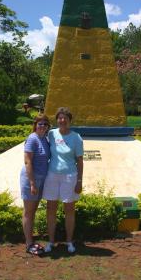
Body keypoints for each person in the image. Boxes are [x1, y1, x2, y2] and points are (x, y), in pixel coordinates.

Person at [42, 107, 84, 253]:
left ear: (69, 120)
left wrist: (79, 181)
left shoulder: (76, 138)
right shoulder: (51, 134)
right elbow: (38, 134)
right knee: (51, 209)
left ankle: (69, 242)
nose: (62, 120)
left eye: (65, 118)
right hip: (52, 175)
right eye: (60, 118)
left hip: (70, 177)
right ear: (57, 120)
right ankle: (51, 242)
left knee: (69, 210)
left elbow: (80, 161)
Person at [20, 114, 50, 255]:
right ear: (35, 125)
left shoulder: (44, 139)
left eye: (45, 124)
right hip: (31, 179)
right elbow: (28, 162)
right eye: (40, 124)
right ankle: (28, 244)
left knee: (32, 211)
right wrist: (32, 183)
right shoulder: (32, 138)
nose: (42, 126)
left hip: (41, 179)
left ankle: (30, 241)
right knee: (28, 211)